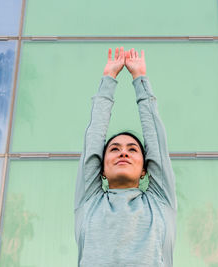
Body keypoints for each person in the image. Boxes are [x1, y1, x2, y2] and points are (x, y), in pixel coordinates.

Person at [74, 47, 177, 266]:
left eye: (132, 149)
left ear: (144, 169)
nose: (123, 152)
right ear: (101, 168)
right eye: (114, 149)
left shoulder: (159, 201)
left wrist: (140, 79)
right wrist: (108, 79)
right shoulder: (89, 202)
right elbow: (93, 140)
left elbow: (156, 143)